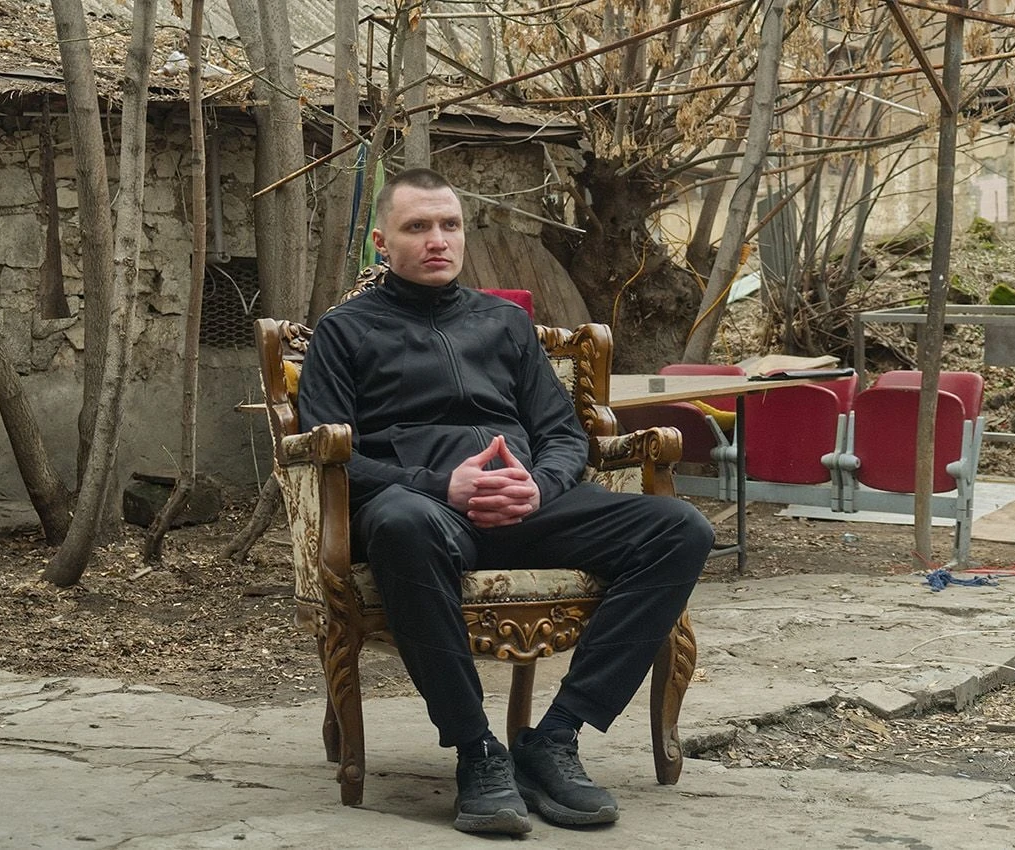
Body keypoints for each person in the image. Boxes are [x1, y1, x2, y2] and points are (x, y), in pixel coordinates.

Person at [297, 167, 713, 835]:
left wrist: (538, 485)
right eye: (417, 227)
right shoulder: (343, 332)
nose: (438, 240)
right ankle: (478, 752)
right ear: (382, 242)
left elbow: (562, 436)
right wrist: (442, 485)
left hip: (527, 507)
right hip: (426, 516)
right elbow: (334, 455)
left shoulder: (505, 323)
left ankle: (555, 738)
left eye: (450, 225)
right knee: (401, 522)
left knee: (680, 529)